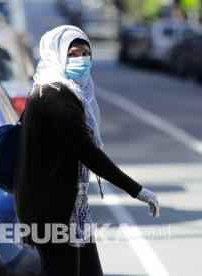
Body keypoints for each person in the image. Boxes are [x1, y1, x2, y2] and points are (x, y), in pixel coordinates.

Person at [13, 25, 160, 276]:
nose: (81, 59)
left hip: (69, 207)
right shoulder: (56, 93)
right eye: (73, 54)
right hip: (53, 211)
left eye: (85, 53)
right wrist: (138, 191)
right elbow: (87, 151)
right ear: (56, 54)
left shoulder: (53, 90)